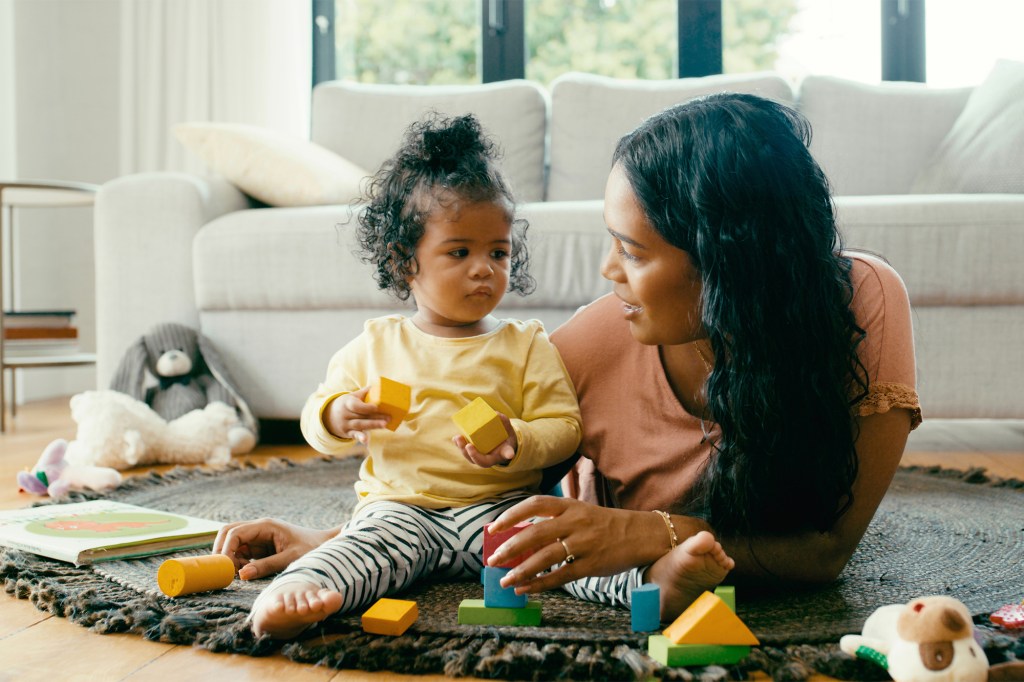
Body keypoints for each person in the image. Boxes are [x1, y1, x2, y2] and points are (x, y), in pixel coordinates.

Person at [217, 92, 920, 628]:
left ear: (728, 264)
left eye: (635, 251)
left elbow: (825, 551)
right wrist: (333, 538)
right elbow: (470, 501)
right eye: (610, 239)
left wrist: (647, 531)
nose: (607, 271)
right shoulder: (590, 346)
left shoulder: (860, 303)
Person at [216, 112, 585, 639]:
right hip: (401, 509)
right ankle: (291, 592)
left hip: (500, 509)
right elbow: (314, 418)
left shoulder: (525, 343)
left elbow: (565, 426)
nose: (484, 268)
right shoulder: (377, 343)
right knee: (359, 551)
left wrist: (517, 439)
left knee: (570, 542)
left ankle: (649, 578)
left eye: (498, 252)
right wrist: (337, 414)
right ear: (405, 260)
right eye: (460, 252)